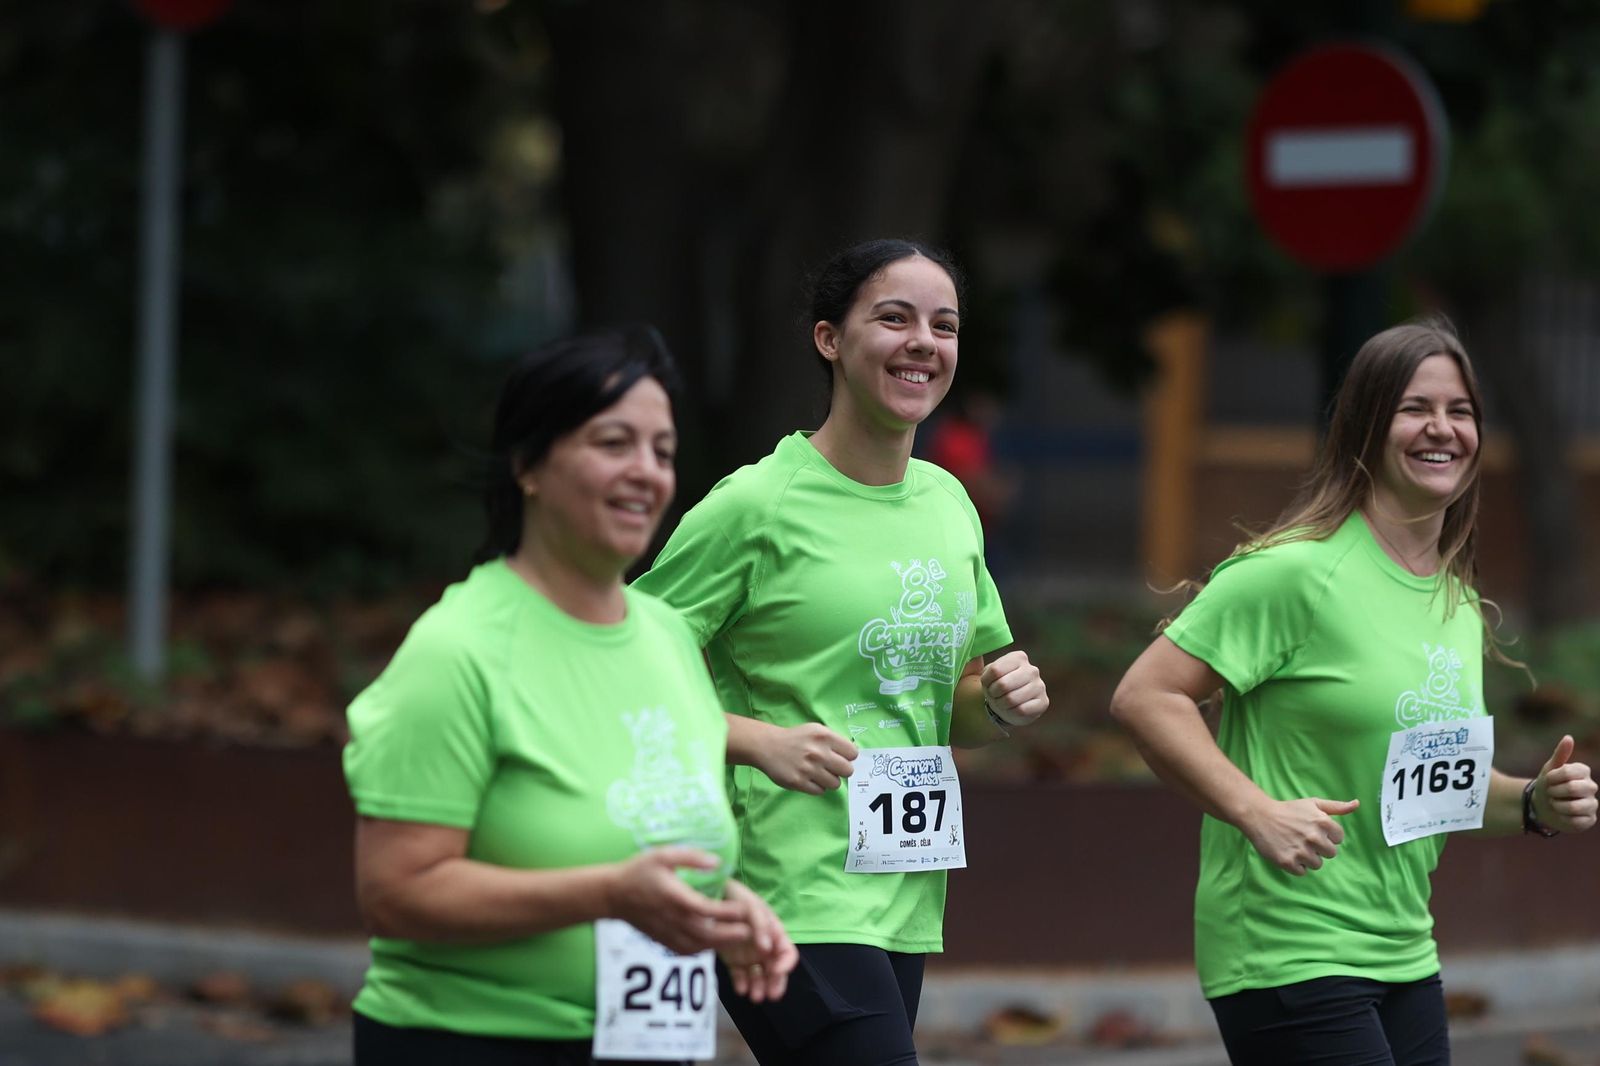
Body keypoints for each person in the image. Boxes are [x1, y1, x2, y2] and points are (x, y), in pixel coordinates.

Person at [1110, 317, 1598, 1066]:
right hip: (1286, 947)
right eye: (1415, 408)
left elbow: (1429, 787)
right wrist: (1256, 811)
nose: (1442, 428)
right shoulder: (1295, 573)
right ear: (1366, 426)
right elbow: (1146, 696)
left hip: (1405, 950)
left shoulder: (1456, 601)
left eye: (1460, 411)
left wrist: (1535, 803)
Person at [634, 238, 1049, 1066]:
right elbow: (618, 670)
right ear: (829, 338)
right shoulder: (755, 505)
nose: (922, 342)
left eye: (944, 326)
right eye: (894, 319)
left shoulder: (948, 503)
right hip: (779, 885)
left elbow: (951, 709)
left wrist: (998, 705)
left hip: (902, 888)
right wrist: (757, 741)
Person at [342, 326, 797, 1066]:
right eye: (614, 443)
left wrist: (719, 902)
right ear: (528, 465)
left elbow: (640, 833)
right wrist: (608, 894)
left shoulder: (666, 637)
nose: (646, 472)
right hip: (471, 1045)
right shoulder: (457, 650)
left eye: (662, 452)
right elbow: (395, 893)